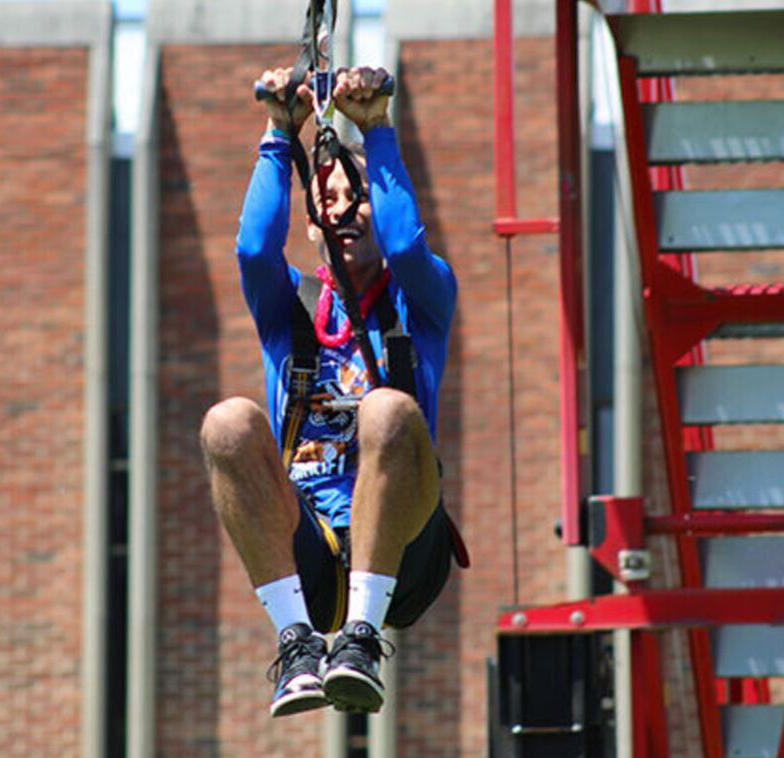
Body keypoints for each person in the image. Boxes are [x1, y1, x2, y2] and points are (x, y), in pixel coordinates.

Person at [199, 64, 461, 718]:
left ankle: (362, 640)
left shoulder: (421, 295)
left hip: (405, 548)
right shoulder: (292, 306)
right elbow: (254, 251)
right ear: (312, 220)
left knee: (389, 409)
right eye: (330, 198)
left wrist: (375, 130)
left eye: (360, 195)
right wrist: (278, 135)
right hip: (309, 542)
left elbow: (403, 245)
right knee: (228, 422)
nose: (344, 208)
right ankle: (297, 644)